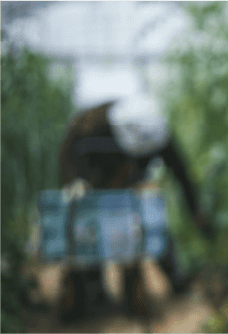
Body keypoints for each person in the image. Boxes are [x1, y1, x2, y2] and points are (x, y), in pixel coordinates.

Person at [57, 94, 214, 322]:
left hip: (128, 181)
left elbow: (181, 173)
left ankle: (172, 277)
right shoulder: (92, 126)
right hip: (94, 177)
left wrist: (195, 211)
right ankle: (93, 288)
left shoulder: (156, 133)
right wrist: (76, 182)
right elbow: (67, 157)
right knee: (90, 229)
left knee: (149, 221)